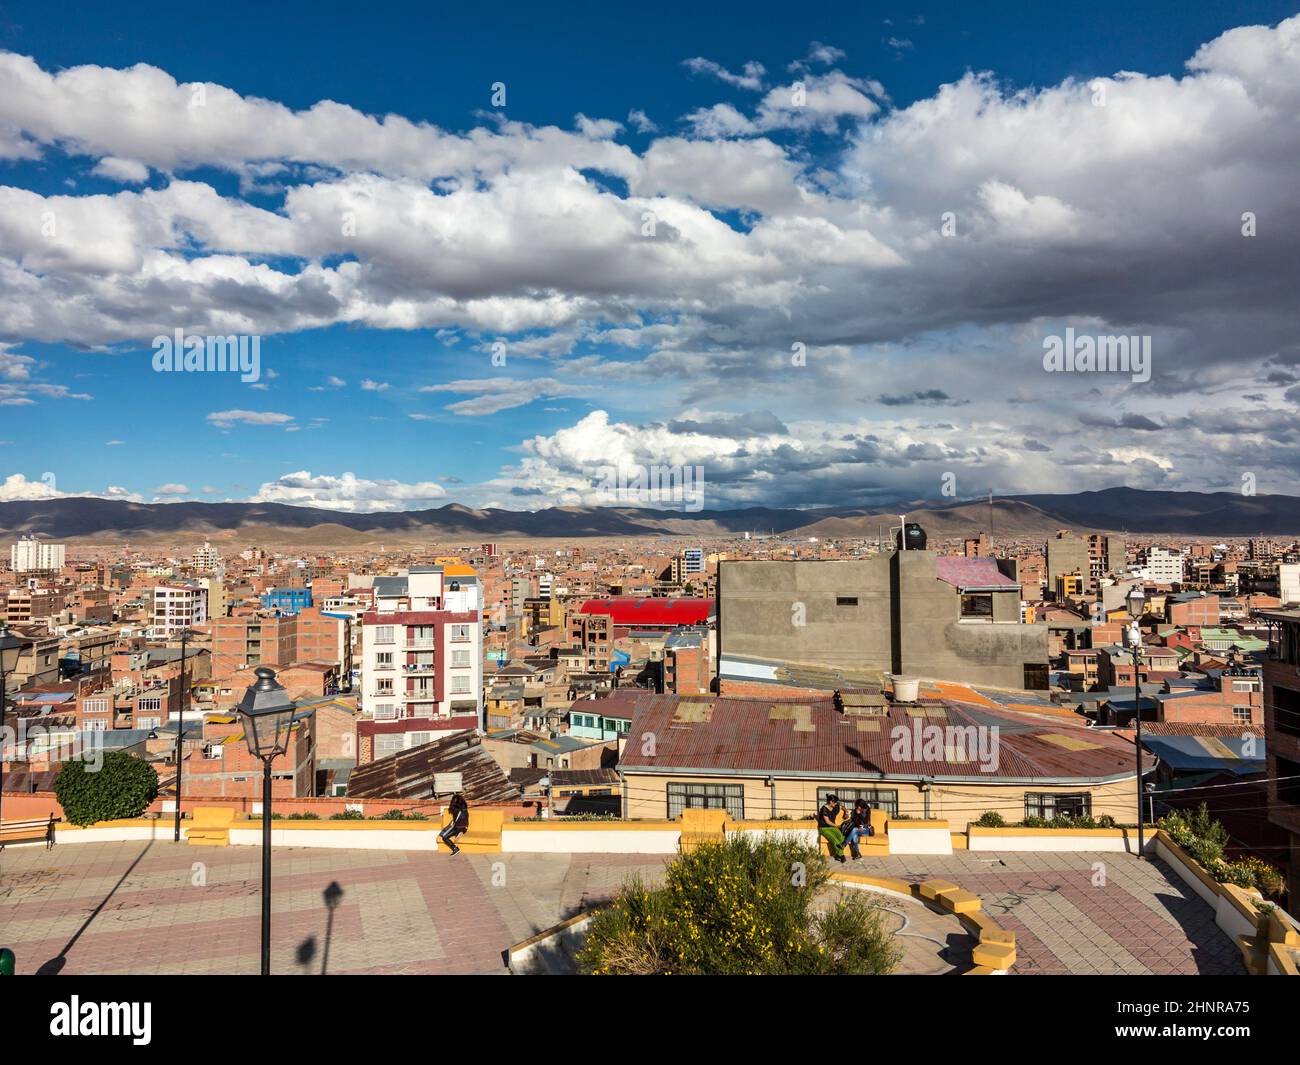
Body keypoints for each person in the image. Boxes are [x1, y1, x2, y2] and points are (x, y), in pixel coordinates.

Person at [816, 794, 848, 863]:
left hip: (832, 827)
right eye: (835, 802)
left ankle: (837, 854)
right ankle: (841, 855)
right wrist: (837, 826)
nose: (836, 803)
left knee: (841, 837)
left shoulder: (835, 806)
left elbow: (841, 806)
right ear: (831, 802)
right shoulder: (824, 809)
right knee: (834, 840)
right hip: (824, 828)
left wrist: (846, 811)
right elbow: (827, 821)